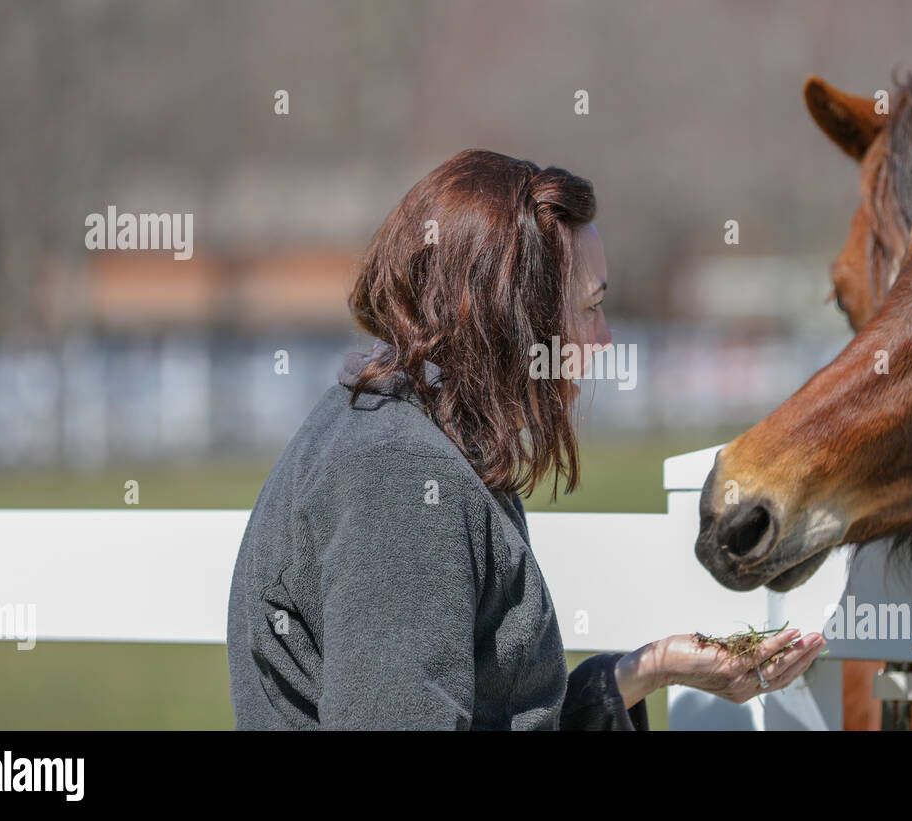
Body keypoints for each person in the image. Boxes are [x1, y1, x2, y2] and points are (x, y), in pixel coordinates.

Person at [226, 148, 826, 730]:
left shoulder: (407, 436)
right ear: (510, 319)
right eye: (589, 308)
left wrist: (648, 670)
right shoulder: (401, 476)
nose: (604, 338)